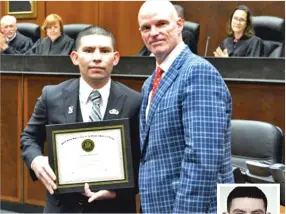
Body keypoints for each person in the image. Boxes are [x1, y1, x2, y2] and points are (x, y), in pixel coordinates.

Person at [20, 25, 141, 213]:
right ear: (75, 57)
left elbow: (144, 159)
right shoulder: (51, 96)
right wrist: (35, 160)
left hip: (114, 207)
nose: (97, 57)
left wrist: (118, 193)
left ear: (115, 58)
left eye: (105, 51)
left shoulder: (135, 101)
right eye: (89, 50)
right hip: (62, 207)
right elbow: (28, 138)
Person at [137, 1, 234, 213]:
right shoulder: (150, 82)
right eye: (146, 27)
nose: (154, 32)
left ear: (179, 25)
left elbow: (202, 159)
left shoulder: (197, 73)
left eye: (162, 24)